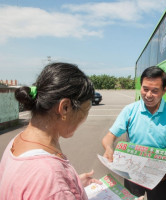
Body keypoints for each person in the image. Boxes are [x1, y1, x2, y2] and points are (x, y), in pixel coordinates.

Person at [0, 63, 99, 199]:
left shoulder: (16, 142)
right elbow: (49, 186)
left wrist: (73, 185)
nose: (84, 119)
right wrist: (59, 188)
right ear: (65, 108)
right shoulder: (49, 176)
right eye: (86, 110)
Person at [102, 66, 166, 200]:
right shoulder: (129, 111)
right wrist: (108, 148)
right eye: (145, 89)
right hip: (132, 173)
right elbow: (109, 137)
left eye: (155, 91)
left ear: (164, 90)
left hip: (160, 176)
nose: (148, 95)